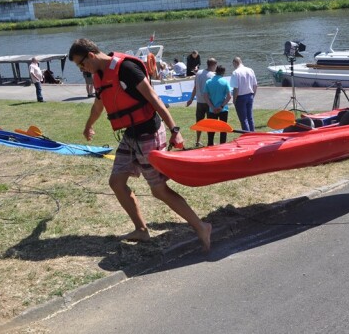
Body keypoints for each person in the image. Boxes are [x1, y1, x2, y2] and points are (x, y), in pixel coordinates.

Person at [68, 38, 212, 250]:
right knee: (116, 182)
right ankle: (142, 230)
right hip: (130, 134)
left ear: (90, 55)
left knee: (159, 190)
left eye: (81, 64)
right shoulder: (99, 74)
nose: (82, 69)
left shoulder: (125, 68)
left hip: (149, 133)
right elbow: (99, 106)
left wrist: (175, 130)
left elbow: (154, 98)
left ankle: (201, 226)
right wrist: (88, 126)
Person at [186, 57, 216, 147]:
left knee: (199, 122)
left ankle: (198, 141)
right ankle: (210, 142)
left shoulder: (198, 73)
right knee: (210, 122)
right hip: (209, 102)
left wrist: (191, 99)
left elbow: (195, 87)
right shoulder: (213, 75)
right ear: (214, 65)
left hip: (199, 101)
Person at [203, 64, 232, 146]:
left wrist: (212, 107)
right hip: (223, 109)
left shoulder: (208, 82)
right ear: (223, 72)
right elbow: (229, 96)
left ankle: (210, 144)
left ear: (216, 71)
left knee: (211, 129)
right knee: (223, 129)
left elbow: (205, 96)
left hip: (212, 109)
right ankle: (223, 144)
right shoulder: (225, 82)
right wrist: (221, 106)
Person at [230, 56, 257, 132]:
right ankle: (253, 134)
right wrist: (253, 96)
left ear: (235, 63)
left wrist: (234, 100)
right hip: (250, 95)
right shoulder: (250, 70)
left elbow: (236, 89)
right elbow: (255, 85)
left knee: (243, 119)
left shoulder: (235, 72)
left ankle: (247, 136)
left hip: (240, 97)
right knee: (250, 118)